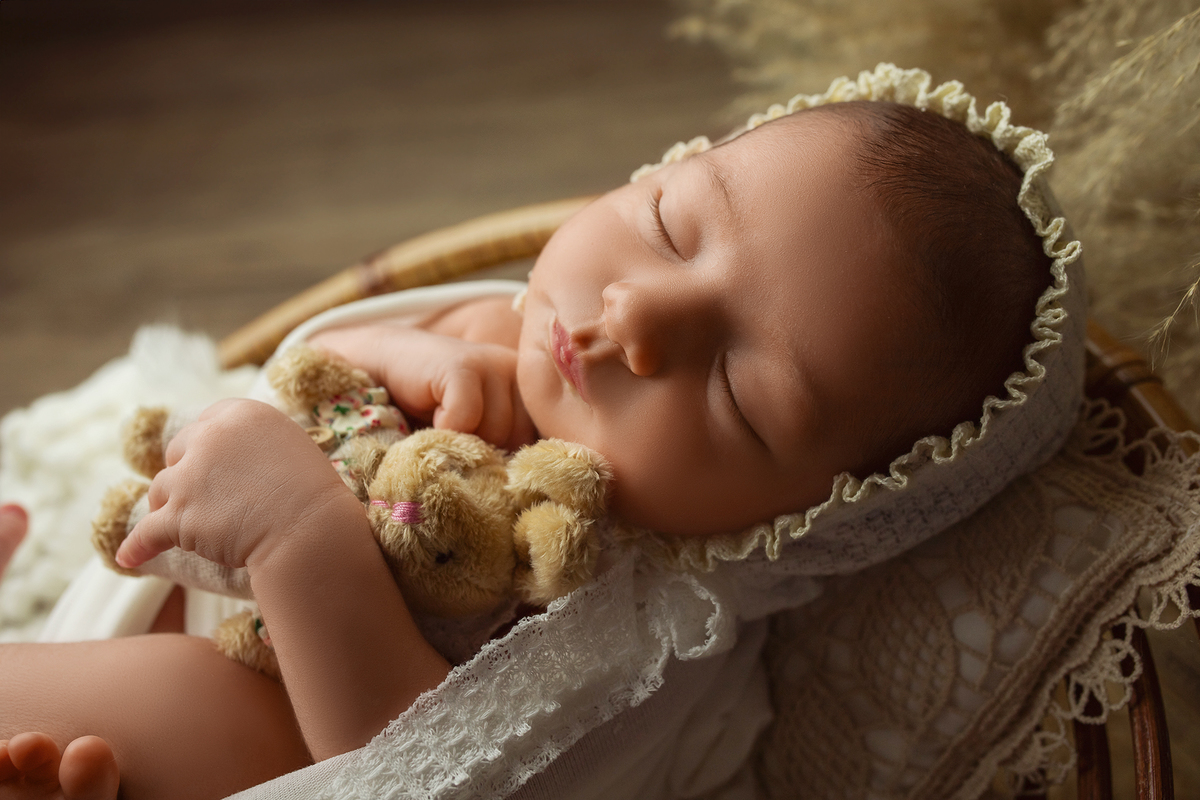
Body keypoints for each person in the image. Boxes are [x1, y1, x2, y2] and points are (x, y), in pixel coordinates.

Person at [0, 96, 1059, 799]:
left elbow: (419, 766)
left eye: (739, 388)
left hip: (283, 749)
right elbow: (300, 372)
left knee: (207, 700)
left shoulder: (649, 629)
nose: (639, 314)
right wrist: (391, 348)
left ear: (806, 522)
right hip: (150, 607)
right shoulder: (507, 327)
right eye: (670, 223)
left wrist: (297, 535)